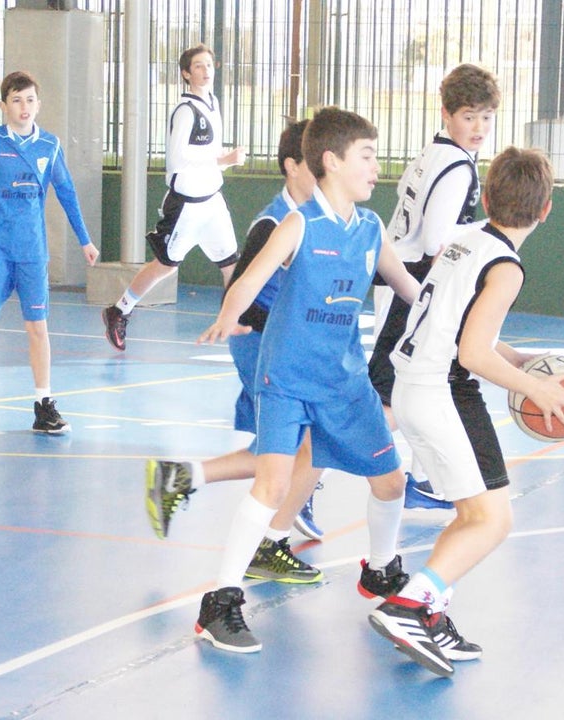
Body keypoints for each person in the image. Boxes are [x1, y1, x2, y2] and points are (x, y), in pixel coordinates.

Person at [192, 107, 420, 653]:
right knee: (270, 485)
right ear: (332, 161)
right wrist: (230, 314)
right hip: (287, 379)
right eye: (366, 156)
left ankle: (382, 570)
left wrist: (457, 319)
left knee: (391, 481)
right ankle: (221, 600)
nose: (375, 166)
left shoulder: (369, 229)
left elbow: (409, 287)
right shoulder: (300, 223)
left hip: (344, 383)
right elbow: (250, 279)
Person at [368, 147, 564, 677]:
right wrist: (539, 391)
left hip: (419, 385)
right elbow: (473, 353)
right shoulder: (506, 267)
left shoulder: (465, 240)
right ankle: (409, 605)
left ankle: (432, 614)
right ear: (547, 209)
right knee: (493, 520)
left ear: (484, 197)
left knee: (475, 514)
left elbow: (458, 323)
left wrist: (518, 358)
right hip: (445, 390)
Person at [146, 119, 324, 586]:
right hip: (260, 343)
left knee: (290, 447)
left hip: (282, 345)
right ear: (291, 167)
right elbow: (240, 292)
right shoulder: (273, 223)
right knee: (303, 445)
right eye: (315, 163)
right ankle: (270, 537)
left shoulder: (315, 216)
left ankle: (184, 477)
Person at [356, 63, 501, 516]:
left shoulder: (434, 153)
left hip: (401, 280)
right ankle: (311, 477)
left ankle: (428, 480)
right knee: (391, 396)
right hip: (411, 288)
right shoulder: (458, 168)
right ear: (447, 113)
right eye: (468, 116)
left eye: (486, 117)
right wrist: (485, 231)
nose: (478, 127)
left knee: (424, 383)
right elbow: (438, 238)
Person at [0, 70, 99, 434]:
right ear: (3, 105)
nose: (23, 107)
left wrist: (84, 240)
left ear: (38, 104)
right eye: (16, 100)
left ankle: (44, 404)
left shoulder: (50, 146)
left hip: (31, 249)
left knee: (37, 327)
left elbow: (68, 193)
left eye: (29, 100)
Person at [101, 44, 247, 351]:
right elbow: (179, 159)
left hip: (212, 201)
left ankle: (237, 326)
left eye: (209, 64)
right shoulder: (185, 111)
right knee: (166, 266)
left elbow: (205, 151)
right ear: (185, 73)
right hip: (187, 206)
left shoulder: (213, 103)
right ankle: (119, 310)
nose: (206, 71)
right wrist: (222, 161)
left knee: (230, 264)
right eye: (198, 66)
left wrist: (222, 156)